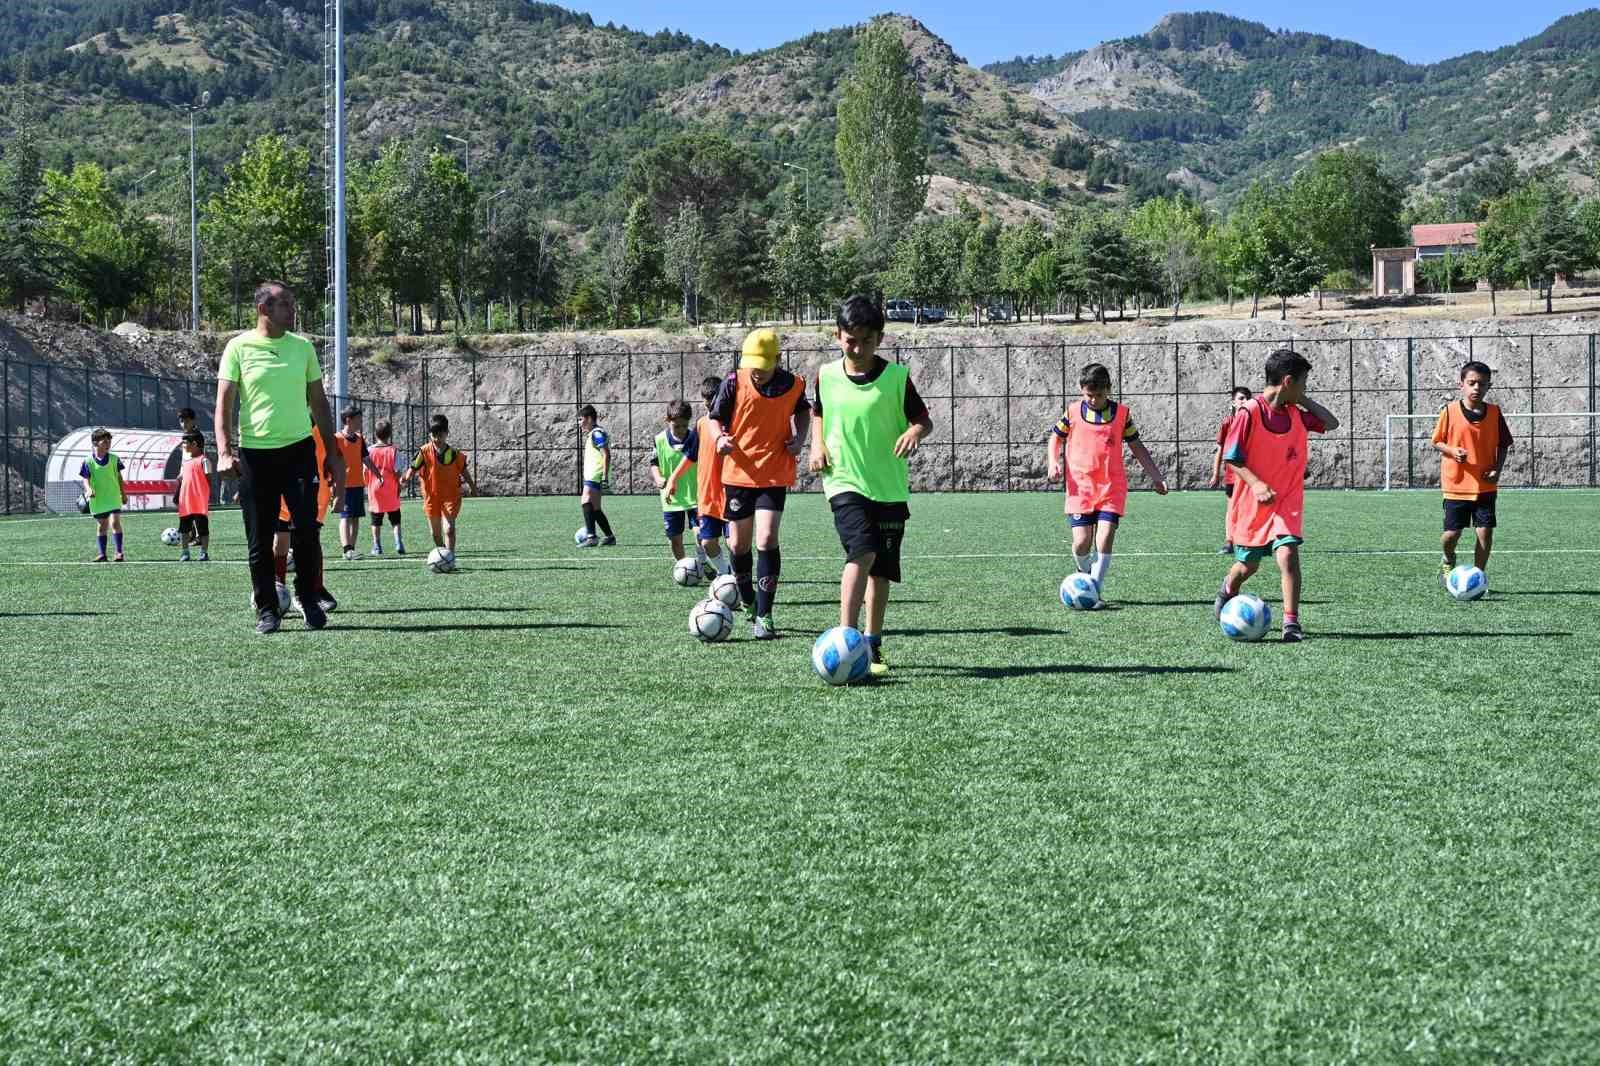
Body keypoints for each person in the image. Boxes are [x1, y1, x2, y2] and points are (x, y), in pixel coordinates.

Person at [808, 295, 934, 677]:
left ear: (880, 338)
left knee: (880, 571)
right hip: (844, 481)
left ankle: (872, 643)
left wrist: (914, 431)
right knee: (861, 553)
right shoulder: (826, 375)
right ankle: (846, 638)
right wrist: (817, 444)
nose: (857, 348)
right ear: (838, 335)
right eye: (850, 340)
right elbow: (819, 412)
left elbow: (923, 420)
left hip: (889, 487)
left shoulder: (896, 378)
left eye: (866, 340)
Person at [214, 281, 345, 635]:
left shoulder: (302, 348)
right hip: (256, 456)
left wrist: (332, 455)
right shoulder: (238, 348)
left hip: (300, 452)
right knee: (259, 539)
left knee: (307, 531)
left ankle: (308, 599)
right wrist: (225, 452)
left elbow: (319, 403)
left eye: (291, 303)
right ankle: (267, 609)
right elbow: (223, 404)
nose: (292, 309)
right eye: (285, 304)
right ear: (264, 310)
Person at [1213, 348, 1341, 643]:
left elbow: (1331, 423)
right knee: (1248, 566)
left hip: (1286, 503)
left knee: (1288, 556)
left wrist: (1302, 398)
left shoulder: (1297, 413)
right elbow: (1232, 458)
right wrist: (1256, 484)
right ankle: (1228, 588)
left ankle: (1291, 623)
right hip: (1252, 505)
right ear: (1287, 381)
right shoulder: (1249, 413)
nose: (1306, 388)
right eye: (1304, 383)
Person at [710, 327, 810, 639]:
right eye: (752, 364)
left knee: (765, 540)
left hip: (774, 472)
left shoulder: (794, 385)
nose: (757, 372)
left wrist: (800, 439)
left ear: (777, 360)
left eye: (763, 366)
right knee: (738, 545)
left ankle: (765, 615)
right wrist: (718, 439)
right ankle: (748, 599)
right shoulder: (733, 381)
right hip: (738, 473)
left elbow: (804, 412)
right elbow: (715, 417)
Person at [1044, 362, 1168, 605]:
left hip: (1111, 488)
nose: (1093, 400)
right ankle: (1084, 573)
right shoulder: (1072, 412)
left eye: (1098, 395)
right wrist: (1052, 462)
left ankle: (1094, 590)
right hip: (1080, 487)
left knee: (1105, 537)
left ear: (1109, 390)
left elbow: (1137, 447)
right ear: (1082, 390)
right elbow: (1054, 439)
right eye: (1088, 395)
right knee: (1081, 542)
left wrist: (1156, 476)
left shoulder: (1121, 414)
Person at [1431, 360, 1512, 585]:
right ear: (1462, 385)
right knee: (1452, 535)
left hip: (1484, 484)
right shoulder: (1449, 411)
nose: (1477, 388)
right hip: (1456, 485)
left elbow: (1504, 444)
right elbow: (1436, 441)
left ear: (1488, 387)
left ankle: (1478, 577)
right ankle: (1448, 558)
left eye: (1482, 384)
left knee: (1485, 532)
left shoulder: (1495, 413)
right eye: (1472, 383)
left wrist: (1497, 468)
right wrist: (1451, 450)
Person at [663, 376, 731, 578]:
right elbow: (690, 456)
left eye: (712, 399)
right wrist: (673, 479)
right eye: (705, 400)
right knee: (707, 541)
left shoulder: (734, 422)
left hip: (731, 492)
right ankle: (726, 573)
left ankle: (735, 577)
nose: (708, 404)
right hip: (708, 495)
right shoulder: (702, 424)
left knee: (734, 542)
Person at [274, 420, 338, 617]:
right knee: (280, 541)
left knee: (311, 541)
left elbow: (338, 460)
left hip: (313, 494)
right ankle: (278, 589)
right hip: (282, 493)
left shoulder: (322, 430)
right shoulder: (278, 424)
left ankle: (312, 590)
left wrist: (340, 493)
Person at [401, 414, 477, 554]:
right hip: (431, 497)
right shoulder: (424, 452)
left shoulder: (454, 454)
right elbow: (413, 468)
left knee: (449, 529)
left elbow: (464, 471)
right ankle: (443, 554)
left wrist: (472, 486)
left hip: (450, 497)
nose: (437, 439)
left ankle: (450, 557)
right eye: (434, 435)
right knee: (435, 534)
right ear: (430, 434)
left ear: (447, 433)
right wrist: (405, 478)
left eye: (440, 435)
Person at [651, 400, 709, 574]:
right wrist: (658, 478)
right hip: (671, 499)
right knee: (675, 540)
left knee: (701, 535)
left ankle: (702, 562)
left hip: (695, 496)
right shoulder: (659, 440)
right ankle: (684, 569)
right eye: (677, 426)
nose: (682, 430)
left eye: (685, 425)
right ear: (667, 420)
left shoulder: (695, 438)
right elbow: (653, 463)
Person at [332, 406, 383, 561]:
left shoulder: (360, 438)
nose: (361, 422)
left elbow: (366, 459)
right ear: (348, 420)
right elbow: (331, 462)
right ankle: (346, 549)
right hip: (343, 484)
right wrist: (333, 482)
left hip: (358, 484)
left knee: (355, 517)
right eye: (358, 419)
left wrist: (377, 474)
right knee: (345, 517)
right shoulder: (337, 439)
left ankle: (352, 550)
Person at [1208, 385, 1253, 555]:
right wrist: (1216, 473)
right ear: (1233, 403)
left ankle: (1248, 540)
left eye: (1247, 398)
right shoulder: (1228, 423)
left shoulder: (1255, 421)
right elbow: (1220, 449)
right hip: (1233, 475)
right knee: (1232, 508)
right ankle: (1229, 541)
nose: (1245, 401)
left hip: (1250, 474)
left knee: (1250, 508)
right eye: (1241, 398)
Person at [79, 427, 127, 562]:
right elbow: (85, 479)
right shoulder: (88, 461)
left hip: (113, 497)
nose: (108, 444)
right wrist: (88, 489)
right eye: (104, 441)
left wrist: (123, 494)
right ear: (95, 443)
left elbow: (119, 477)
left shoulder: (114, 459)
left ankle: (119, 553)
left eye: (109, 441)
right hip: (98, 499)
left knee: (115, 522)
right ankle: (102, 554)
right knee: (102, 527)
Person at [366, 419, 406, 556]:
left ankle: (377, 546)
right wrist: (399, 485)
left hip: (375, 490)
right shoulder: (394, 451)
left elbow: (365, 471)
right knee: (395, 519)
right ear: (390, 434)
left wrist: (368, 484)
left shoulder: (369, 451)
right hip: (391, 488)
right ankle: (398, 542)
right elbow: (398, 471)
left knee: (376, 520)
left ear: (375, 434)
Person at [577, 404, 614, 547]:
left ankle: (591, 537)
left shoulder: (597, 433)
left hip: (595, 475)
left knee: (585, 500)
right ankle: (610, 537)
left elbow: (606, 454)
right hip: (593, 475)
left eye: (581, 419)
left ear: (590, 418)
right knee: (596, 508)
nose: (580, 423)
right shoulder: (595, 433)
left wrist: (604, 475)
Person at [175, 429, 212, 562]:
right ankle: (185, 552)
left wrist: (206, 496)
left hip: (199, 502)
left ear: (195, 444)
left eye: (185, 443)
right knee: (184, 529)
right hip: (186, 502)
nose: (183, 445)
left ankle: (204, 552)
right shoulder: (186, 463)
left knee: (202, 528)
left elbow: (208, 479)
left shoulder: (204, 461)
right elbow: (183, 480)